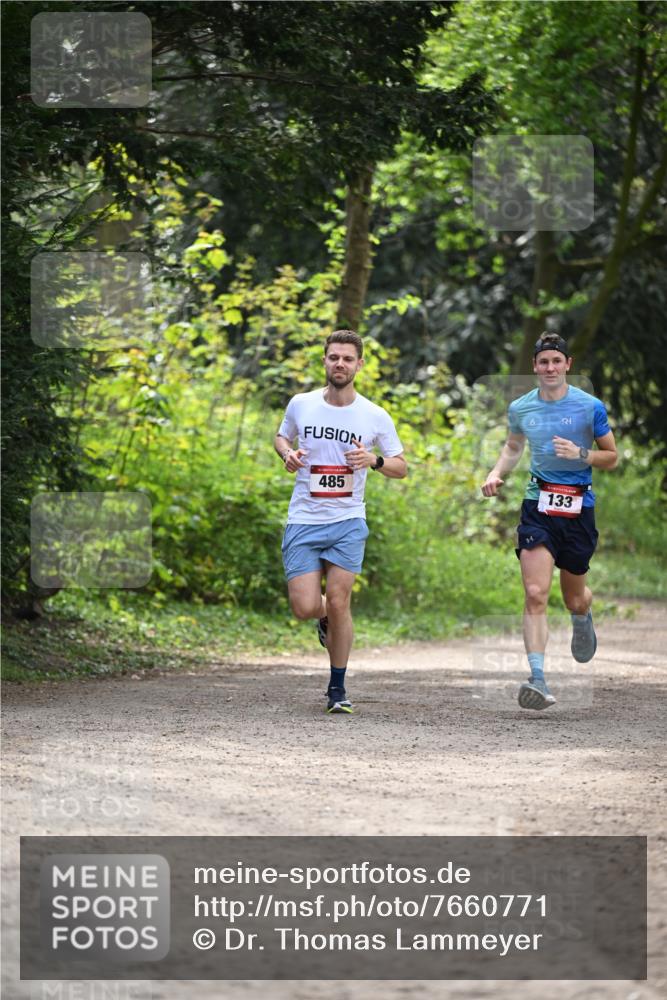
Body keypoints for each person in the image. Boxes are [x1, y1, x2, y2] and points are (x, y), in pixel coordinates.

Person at [481, 333, 618, 710]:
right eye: (544, 362)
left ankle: (582, 614)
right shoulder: (522, 407)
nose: (550, 368)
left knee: (573, 597)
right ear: (535, 366)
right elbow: (513, 446)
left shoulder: (589, 406)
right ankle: (537, 678)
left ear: (568, 364)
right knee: (535, 592)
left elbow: (612, 457)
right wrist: (496, 472)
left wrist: (581, 453)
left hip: (578, 508)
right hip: (538, 505)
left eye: (557, 361)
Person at [274, 330, 407, 714]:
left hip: (348, 519)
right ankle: (325, 619)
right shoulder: (301, 404)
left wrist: (374, 461)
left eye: (348, 359)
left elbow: (401, 467)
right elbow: (281, 437)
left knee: (339, 600)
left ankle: (337, 688)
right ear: (324, 360)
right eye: (334, 357)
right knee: (305, 607)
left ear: (359, 365)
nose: (340, 364)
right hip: (304, 518)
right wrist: (287, 454)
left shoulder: (374, 415)